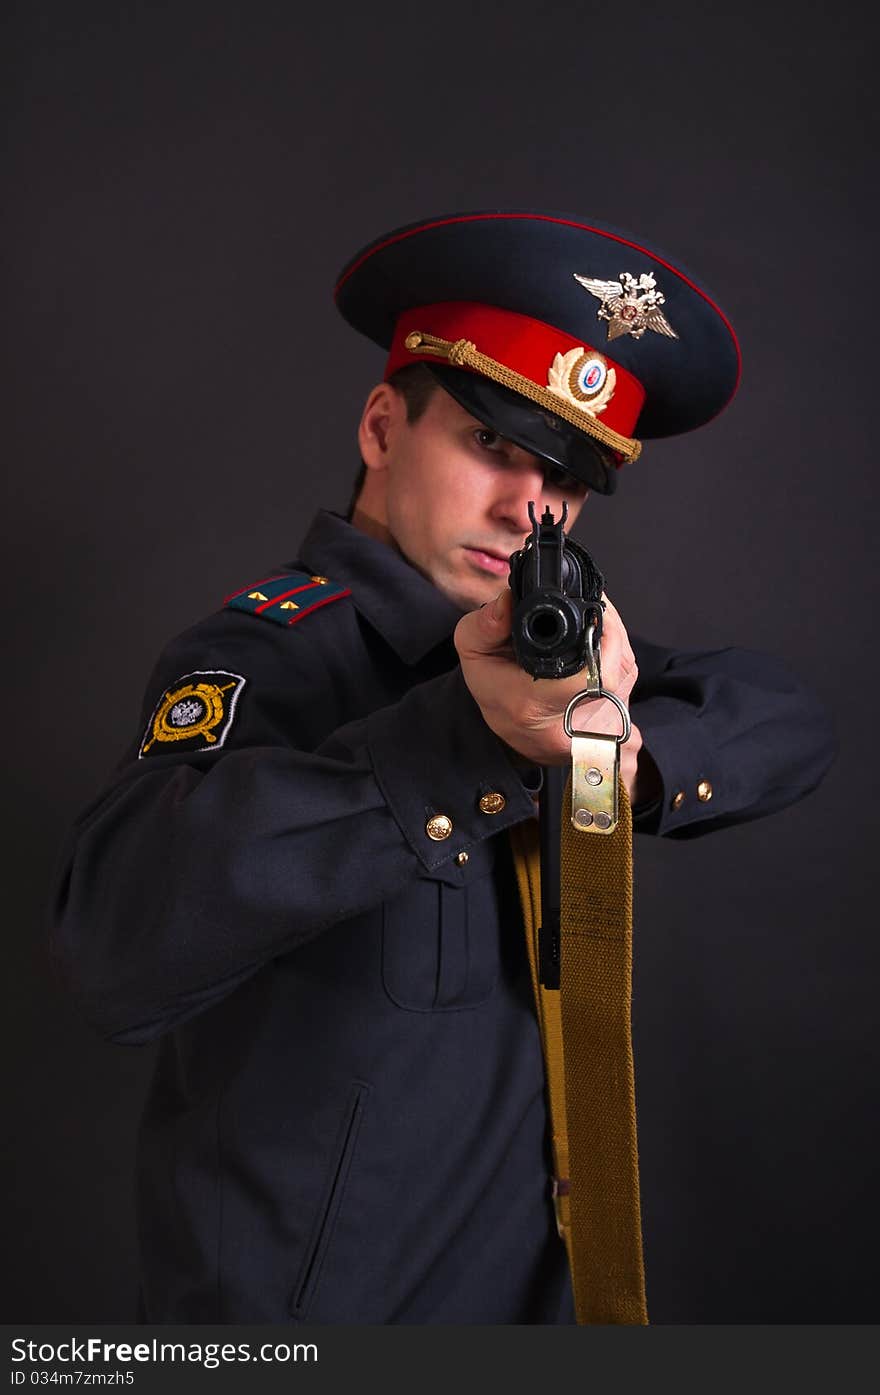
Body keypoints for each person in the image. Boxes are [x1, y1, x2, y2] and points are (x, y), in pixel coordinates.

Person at [50, 210, 834, 1324]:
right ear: (380, 427)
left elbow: (785, 717)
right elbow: (112, 950)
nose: (529, 507)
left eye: (568, 478)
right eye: (491, 444)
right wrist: (461, 748)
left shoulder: (561, 657)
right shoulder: (260, 656)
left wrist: (626, 756)